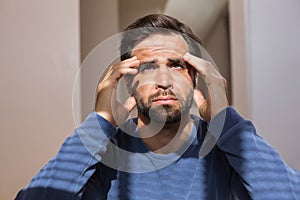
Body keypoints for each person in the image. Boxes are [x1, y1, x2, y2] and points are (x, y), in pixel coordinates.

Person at [16, 14, 300, 200]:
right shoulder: (103, 153)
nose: (164, 80)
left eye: (176, 65)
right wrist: (100, 122)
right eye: (149, 67)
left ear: (195, 78)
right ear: (128, 82)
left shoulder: (225, 147)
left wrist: (225, 120)